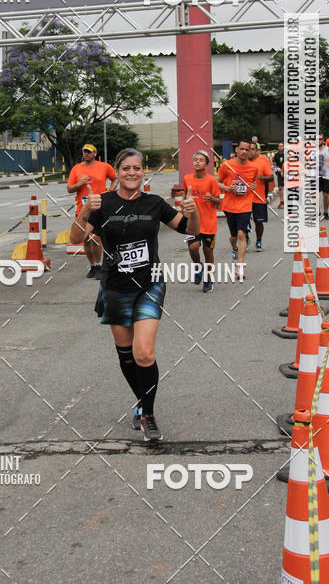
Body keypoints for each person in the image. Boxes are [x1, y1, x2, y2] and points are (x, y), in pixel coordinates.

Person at [70, 148, 200, 442]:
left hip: (150, 284)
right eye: (126, 168)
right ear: (117, 172)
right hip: (115, 286)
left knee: (144, 353)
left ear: (144, 172)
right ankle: (141, 402)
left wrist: (194, 213)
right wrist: (85, 210)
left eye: (137, 168)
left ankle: (149, 415)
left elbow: (188, 230)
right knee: (127, 356)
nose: (132, 173)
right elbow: (76, 238)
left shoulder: (154, 203)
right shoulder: (102, 203)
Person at [67, 144, 116, 279]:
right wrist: (79, 183)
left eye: (89, 152)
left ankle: (100, 265)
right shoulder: (76, 169)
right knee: (86, 239)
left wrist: (110, 191)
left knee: (96, 238)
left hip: (100, 207)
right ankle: (93, 266)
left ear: (95, 153)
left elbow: (115, 178)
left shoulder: (104, 166)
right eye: (85, 152)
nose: (86, 154)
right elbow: (69, 188)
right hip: (83, 209)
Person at [217, 141, 258, 280]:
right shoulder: (227, 165)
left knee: (242, 234)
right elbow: (216, 182)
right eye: (242, 149)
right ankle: (234, 248)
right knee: (233, 236)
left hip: (245, 205)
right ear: (237, 150)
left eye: (247, 149)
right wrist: (227, 188)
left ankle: (239, 267)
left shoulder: (253, 167)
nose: (245, 152)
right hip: (229, 206)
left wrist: (253, 186)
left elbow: (253, 183)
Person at [183, 150, 221, 292]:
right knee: (193, 248)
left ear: (206, 164)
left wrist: (213, 199)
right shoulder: (187, 179)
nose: (197, 162)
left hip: (209, 223)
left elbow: (219, 201)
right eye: (195, 159)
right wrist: (184, 204)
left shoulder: (211, 180)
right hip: (192, 223)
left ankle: (209, 280)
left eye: (201, 160)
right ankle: (198, 268)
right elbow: (185, 196)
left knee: (207, 251)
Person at [248, 142, 274, 250]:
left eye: (252, 149)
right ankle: (245, 237)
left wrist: (261, 178)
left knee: (258, 222)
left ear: (256, 151)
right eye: (248, 149)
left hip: (258, 197)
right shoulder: (241, 163)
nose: (250, 152)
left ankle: (258, 241)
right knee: (243, 222)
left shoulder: (262, 163)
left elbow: (271, 177)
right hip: (244, 199)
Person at [273, 141, 285, 208]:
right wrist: (278, 170)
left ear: (283, 147)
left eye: (281, 146)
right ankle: (281, 202)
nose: (280, 147)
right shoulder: (276, 155)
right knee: (280, 188)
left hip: (286, 173)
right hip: (279, 173)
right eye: (279, 146)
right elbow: (274, 164)